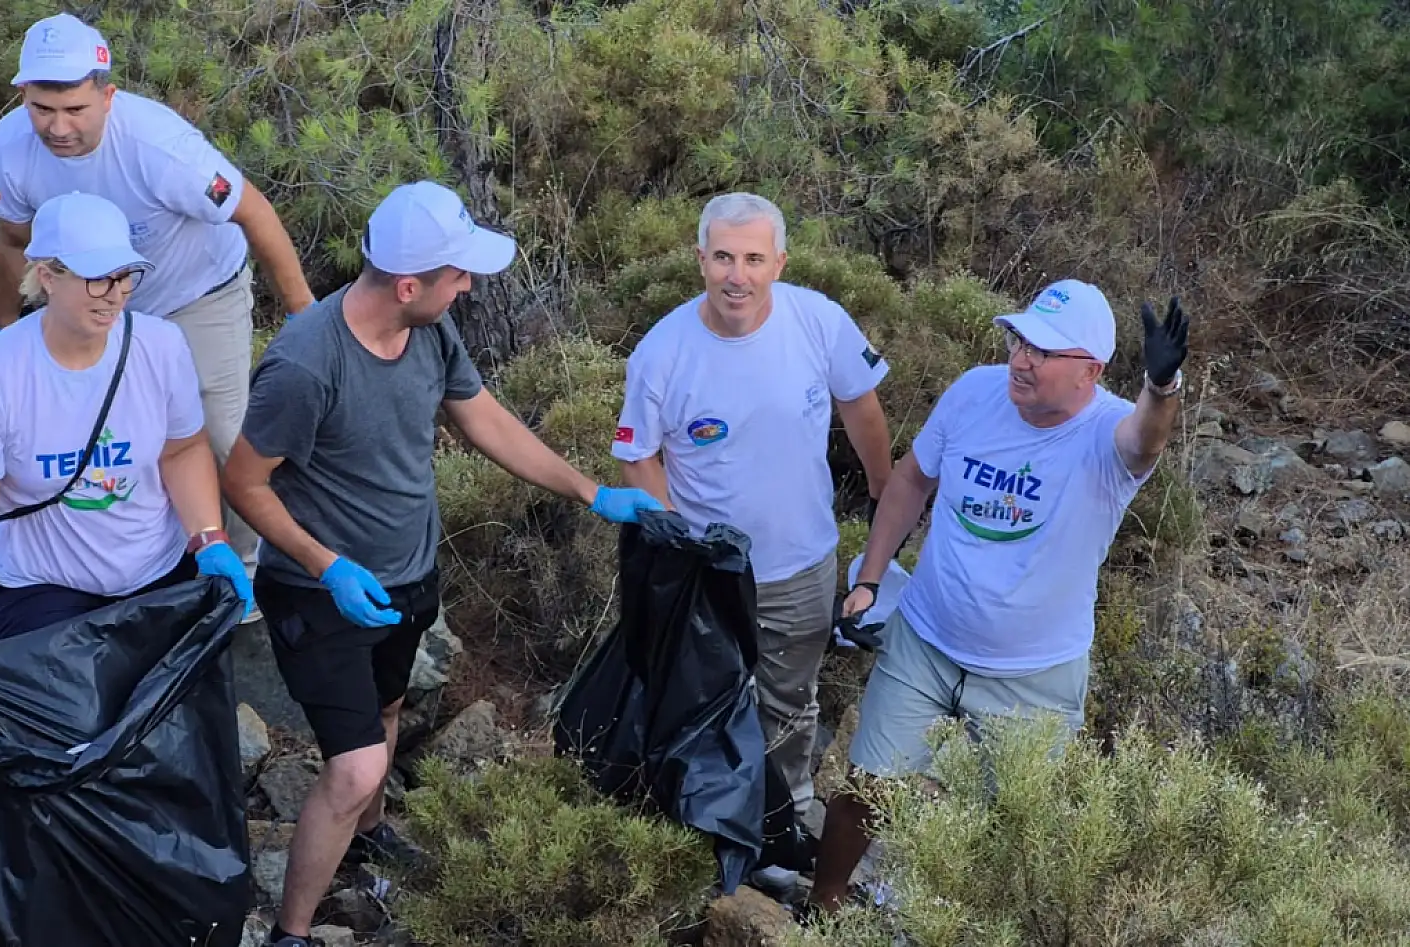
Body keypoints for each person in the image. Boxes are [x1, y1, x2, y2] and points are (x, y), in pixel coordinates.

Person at [220, 180, 667, 947]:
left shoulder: (429, 331)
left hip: (406, 573)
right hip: (317, 592)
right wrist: (327, 565)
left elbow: (483, 415)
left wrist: (591, 492)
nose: (467, 285)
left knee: (390, 707)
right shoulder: (305, 363)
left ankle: (368, 832)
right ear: (407, 283)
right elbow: (244, 480)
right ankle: (290, 932)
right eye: (457, 275)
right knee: (356, 764)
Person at [807, 279, 1189, 913]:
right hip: (927, 642)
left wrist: (1162, 388)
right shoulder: (974, 392)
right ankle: (822, 906)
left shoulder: (1106, 436)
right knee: (867, 785)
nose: (1021, 360)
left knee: (1008, 825)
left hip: (1033, 674)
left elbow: (1144, 442)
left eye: (1044, 352)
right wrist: (871, 577)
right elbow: (910, 479)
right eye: (1020, 341)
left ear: (1089, 371)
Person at [0, 12, 315, 619]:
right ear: (23, 96)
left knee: (216, 430)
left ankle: (240, 572)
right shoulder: (11, 147)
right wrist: (3, 327)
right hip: (86, 299)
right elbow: (12, 240)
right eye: (41, 109)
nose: (57, 127)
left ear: (108, 95)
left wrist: (303, 315)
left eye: (75, 109)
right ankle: (104, 565)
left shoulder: (159, 149)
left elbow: (253, 212)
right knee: (99, 435)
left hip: (191, 293)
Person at [610, 192, 895, 869]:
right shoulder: (663, 352)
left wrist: (886, 492)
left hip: (799, 566)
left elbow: (862, 407)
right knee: (703, 701)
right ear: (700, 258)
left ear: (780, 262)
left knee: (789, 702)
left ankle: (780, 823)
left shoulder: (817, 320)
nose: (738, 275)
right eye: (724, 257)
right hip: (710, 578)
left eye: (754, 259)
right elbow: (635, 454)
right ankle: (699, 827)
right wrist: (678, 537)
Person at [0, 190, 254, 707]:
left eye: (124, 276)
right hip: (45, 584)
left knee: (175, 717)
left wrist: (209, 537)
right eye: (96, 277)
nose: (114, 294)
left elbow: (182, 450)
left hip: (153, 568)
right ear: (47, 276)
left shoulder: (159, 347)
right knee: (73, 721)